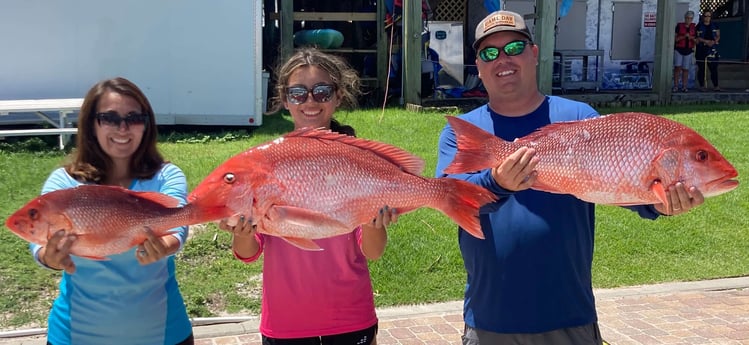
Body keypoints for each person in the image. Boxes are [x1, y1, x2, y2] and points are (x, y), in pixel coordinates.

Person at [435, 10, 706, 345]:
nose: (502, 59)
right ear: (478, 65)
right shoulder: (464, 133)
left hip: (568, 313)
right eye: (489, 53)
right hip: (491, 316)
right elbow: (450, 197)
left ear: (534, 54)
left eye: (514, 48)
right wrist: (496, 183)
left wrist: (660, 203)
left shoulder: (580, 118)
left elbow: (619, 181)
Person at [218, 47, 397, 345]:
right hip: (285, 323)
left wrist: (373, 221)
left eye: (322, 91)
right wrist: (242, 231)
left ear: (338, 96)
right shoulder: (266, 162)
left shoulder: (357, 158)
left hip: (350, 318)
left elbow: (373, 252)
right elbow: (248, 252)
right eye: (298, 93)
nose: (310, 101)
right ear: (285, 99)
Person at [31, 77, 194, 345]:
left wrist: (167, 244)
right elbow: (37, 241)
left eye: (134, 117)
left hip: (163, 334)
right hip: (75, 336)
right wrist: (49, 258)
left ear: (146, 124)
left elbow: (178, 223)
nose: (123, 128)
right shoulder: (65, 182)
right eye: (109, 118)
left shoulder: (166, 175)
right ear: (91, 124)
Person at [695, 10, 721, 91]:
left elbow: (718, 35)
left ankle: (716, 86)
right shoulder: (699, 26)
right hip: (701, 48)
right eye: (705, 16)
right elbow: (696, 37)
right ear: (703, 17)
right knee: (701, 68)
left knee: (713, 68)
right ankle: (702, 86)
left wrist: (714, 41)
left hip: (712, 49)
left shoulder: (715, 25)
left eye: (709, 16)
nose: (707, 18)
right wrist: (705, 41)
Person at [673, 10, 697, 92]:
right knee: (677, 68)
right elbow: (675, 39)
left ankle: (684, 86)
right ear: (685, 18)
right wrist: (684, 36)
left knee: (686, 69)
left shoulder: (694, 27)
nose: (688, 20)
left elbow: (696, 40)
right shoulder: (679, 26)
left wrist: (691, 37)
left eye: (690, 18)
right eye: (687, 18)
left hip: (689, 50)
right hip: (679, 49)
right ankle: (676, 86)